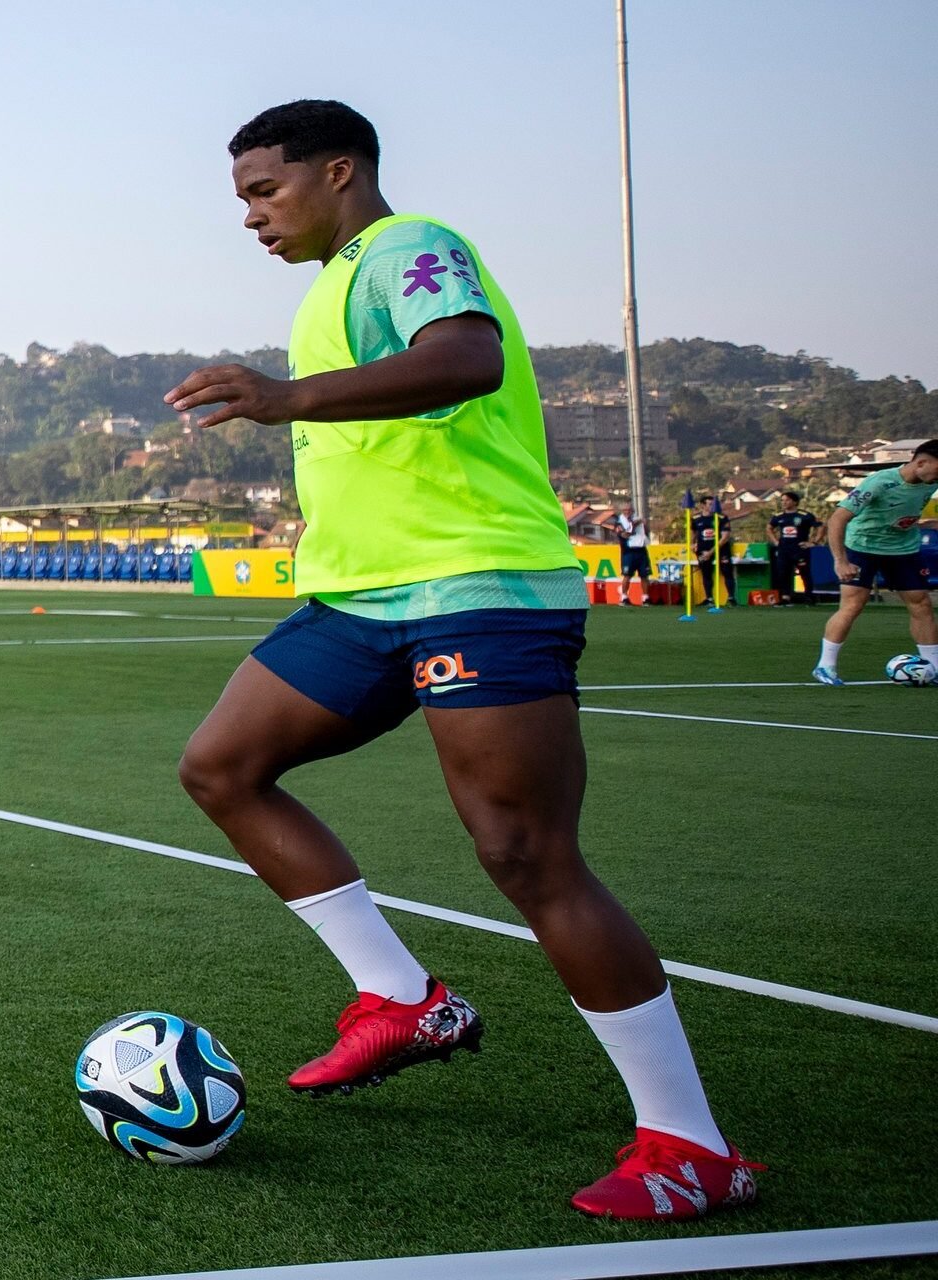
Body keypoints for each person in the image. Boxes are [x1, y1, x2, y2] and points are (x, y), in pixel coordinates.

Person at [165, 100, 756, 1220]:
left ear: (337, 170)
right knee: (221, 766)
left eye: (261, 190)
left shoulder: (411, 246)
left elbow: (466, 359)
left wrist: (284, 400)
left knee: (524, 852)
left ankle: (692, 1141)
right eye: (239, 198)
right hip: (360, 597)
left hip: (477, 585)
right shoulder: (328, 288)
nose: (248, 215)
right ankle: (400, 996)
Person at [812, 440, 938, 686]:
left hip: (904, 549)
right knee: (853, 605)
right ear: (921, 462)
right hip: (863, 547)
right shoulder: (880, 482)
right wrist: (841, 561)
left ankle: (933, 668)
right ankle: (825, 666)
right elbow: (837, 519)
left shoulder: (930, 481)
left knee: (921, 604)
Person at [766, 491, 819, 606]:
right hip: (784, 550)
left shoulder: (804, 515)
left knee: (804, 572)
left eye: (787, 500)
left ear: (795, 502)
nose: (784, 503)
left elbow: (821, 526)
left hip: (799, 549)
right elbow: (769, 527)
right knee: (783, 573)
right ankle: (785, 597)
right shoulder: (779, 516)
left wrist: (813, 542)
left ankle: (809, 596)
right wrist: (775, 541)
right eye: (782, 500)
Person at [690, 496, 735, 610]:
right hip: (703, 549)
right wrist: (692, 544)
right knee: (706, 573)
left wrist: (710, 552)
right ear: (703, 505)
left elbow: (724, 537)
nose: (712, 506)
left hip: (721, 549)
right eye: (709, 504)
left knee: (727, 571)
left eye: (714, 504)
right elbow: (693, 533)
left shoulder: (721, 518)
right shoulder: (696, 519)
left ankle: (731, 598)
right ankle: (709, 598)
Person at [611, 505, 652, 605]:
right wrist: (634, 524)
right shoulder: (619, 522)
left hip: (641, 550)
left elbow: (645, 532)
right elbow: (625, 534)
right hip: (629, 552)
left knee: (644, 575)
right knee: (627, 575)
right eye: (625, 510)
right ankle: (624, 597)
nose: (628, 512)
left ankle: (645, 598)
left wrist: (644, 525)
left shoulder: (637, 519)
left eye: (629, 510)